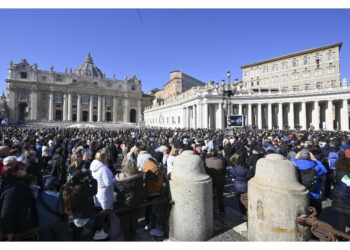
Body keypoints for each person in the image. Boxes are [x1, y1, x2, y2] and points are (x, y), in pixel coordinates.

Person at [62, 169, 105, 241]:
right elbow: (93, 191)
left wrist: (86, 180)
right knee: (85, 238)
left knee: (77, 237)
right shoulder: (80, 188)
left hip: (74, 216)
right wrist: (93, 180)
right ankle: (98, 233)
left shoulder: (70, 187)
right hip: (84, 218)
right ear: (81, 180)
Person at [0, 157, 37, 240]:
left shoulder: (7, 183)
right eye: (22, 169)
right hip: (18, 229)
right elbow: (7, 211)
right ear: (13, 172)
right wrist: (8, 231)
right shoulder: (16, 188)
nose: (25, 170)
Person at [90, 149, 117, 240]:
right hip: (104, 194)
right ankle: (99, 233)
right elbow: (108, 183)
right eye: (107, 156)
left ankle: (98, 231)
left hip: (98, 193)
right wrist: (116, 178)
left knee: (99, 213)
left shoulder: (94, 166)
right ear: (103, 158)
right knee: (102, 213)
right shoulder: (103, 169)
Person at [291, 149, 328, 214]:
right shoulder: (315, 166)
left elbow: (289, 164)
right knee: (315, 212)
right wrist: (315, 160)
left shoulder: (294, 165)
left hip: (299, 192)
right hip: (314, 192)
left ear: (299, 156)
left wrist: (295, 158)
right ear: (310, 156)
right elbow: (324, 171)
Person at [115, 159, 143, 241]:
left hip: (124, 203)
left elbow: (117, 190)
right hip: (136, 202)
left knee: (125, 223)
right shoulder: (139, 178)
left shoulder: (121, 179)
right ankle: (133, 237)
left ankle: (127, 238)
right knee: (134, 221)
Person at [36, 176, 66, 241]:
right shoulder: (58, 196)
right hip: (56, 223)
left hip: (42, 224)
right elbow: (61, 211)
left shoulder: (39, 195)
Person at [331, 150, 350, 233]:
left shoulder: (338, 170)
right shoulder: (347, 176)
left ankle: (340, 235)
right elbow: (344, 192)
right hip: (345, 200)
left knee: (341, 219)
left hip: (338, 199)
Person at [231, 153, 254, 217]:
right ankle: (247, 213)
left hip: (236, 186)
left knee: (240, 201)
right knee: (245, 200)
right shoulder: (247, 169)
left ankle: (243, 214)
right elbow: (250, 176)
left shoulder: (235, 168)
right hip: (245, 186)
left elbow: (233, 175)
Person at [205, 148, 226, 215]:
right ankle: (221, 211)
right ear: (217, 154)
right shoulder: (221, 161)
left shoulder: (207, 160)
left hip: (211, 181)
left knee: (210, 196)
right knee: (220, 197)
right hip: (219, 181)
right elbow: (224, 171)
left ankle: (210, 210)